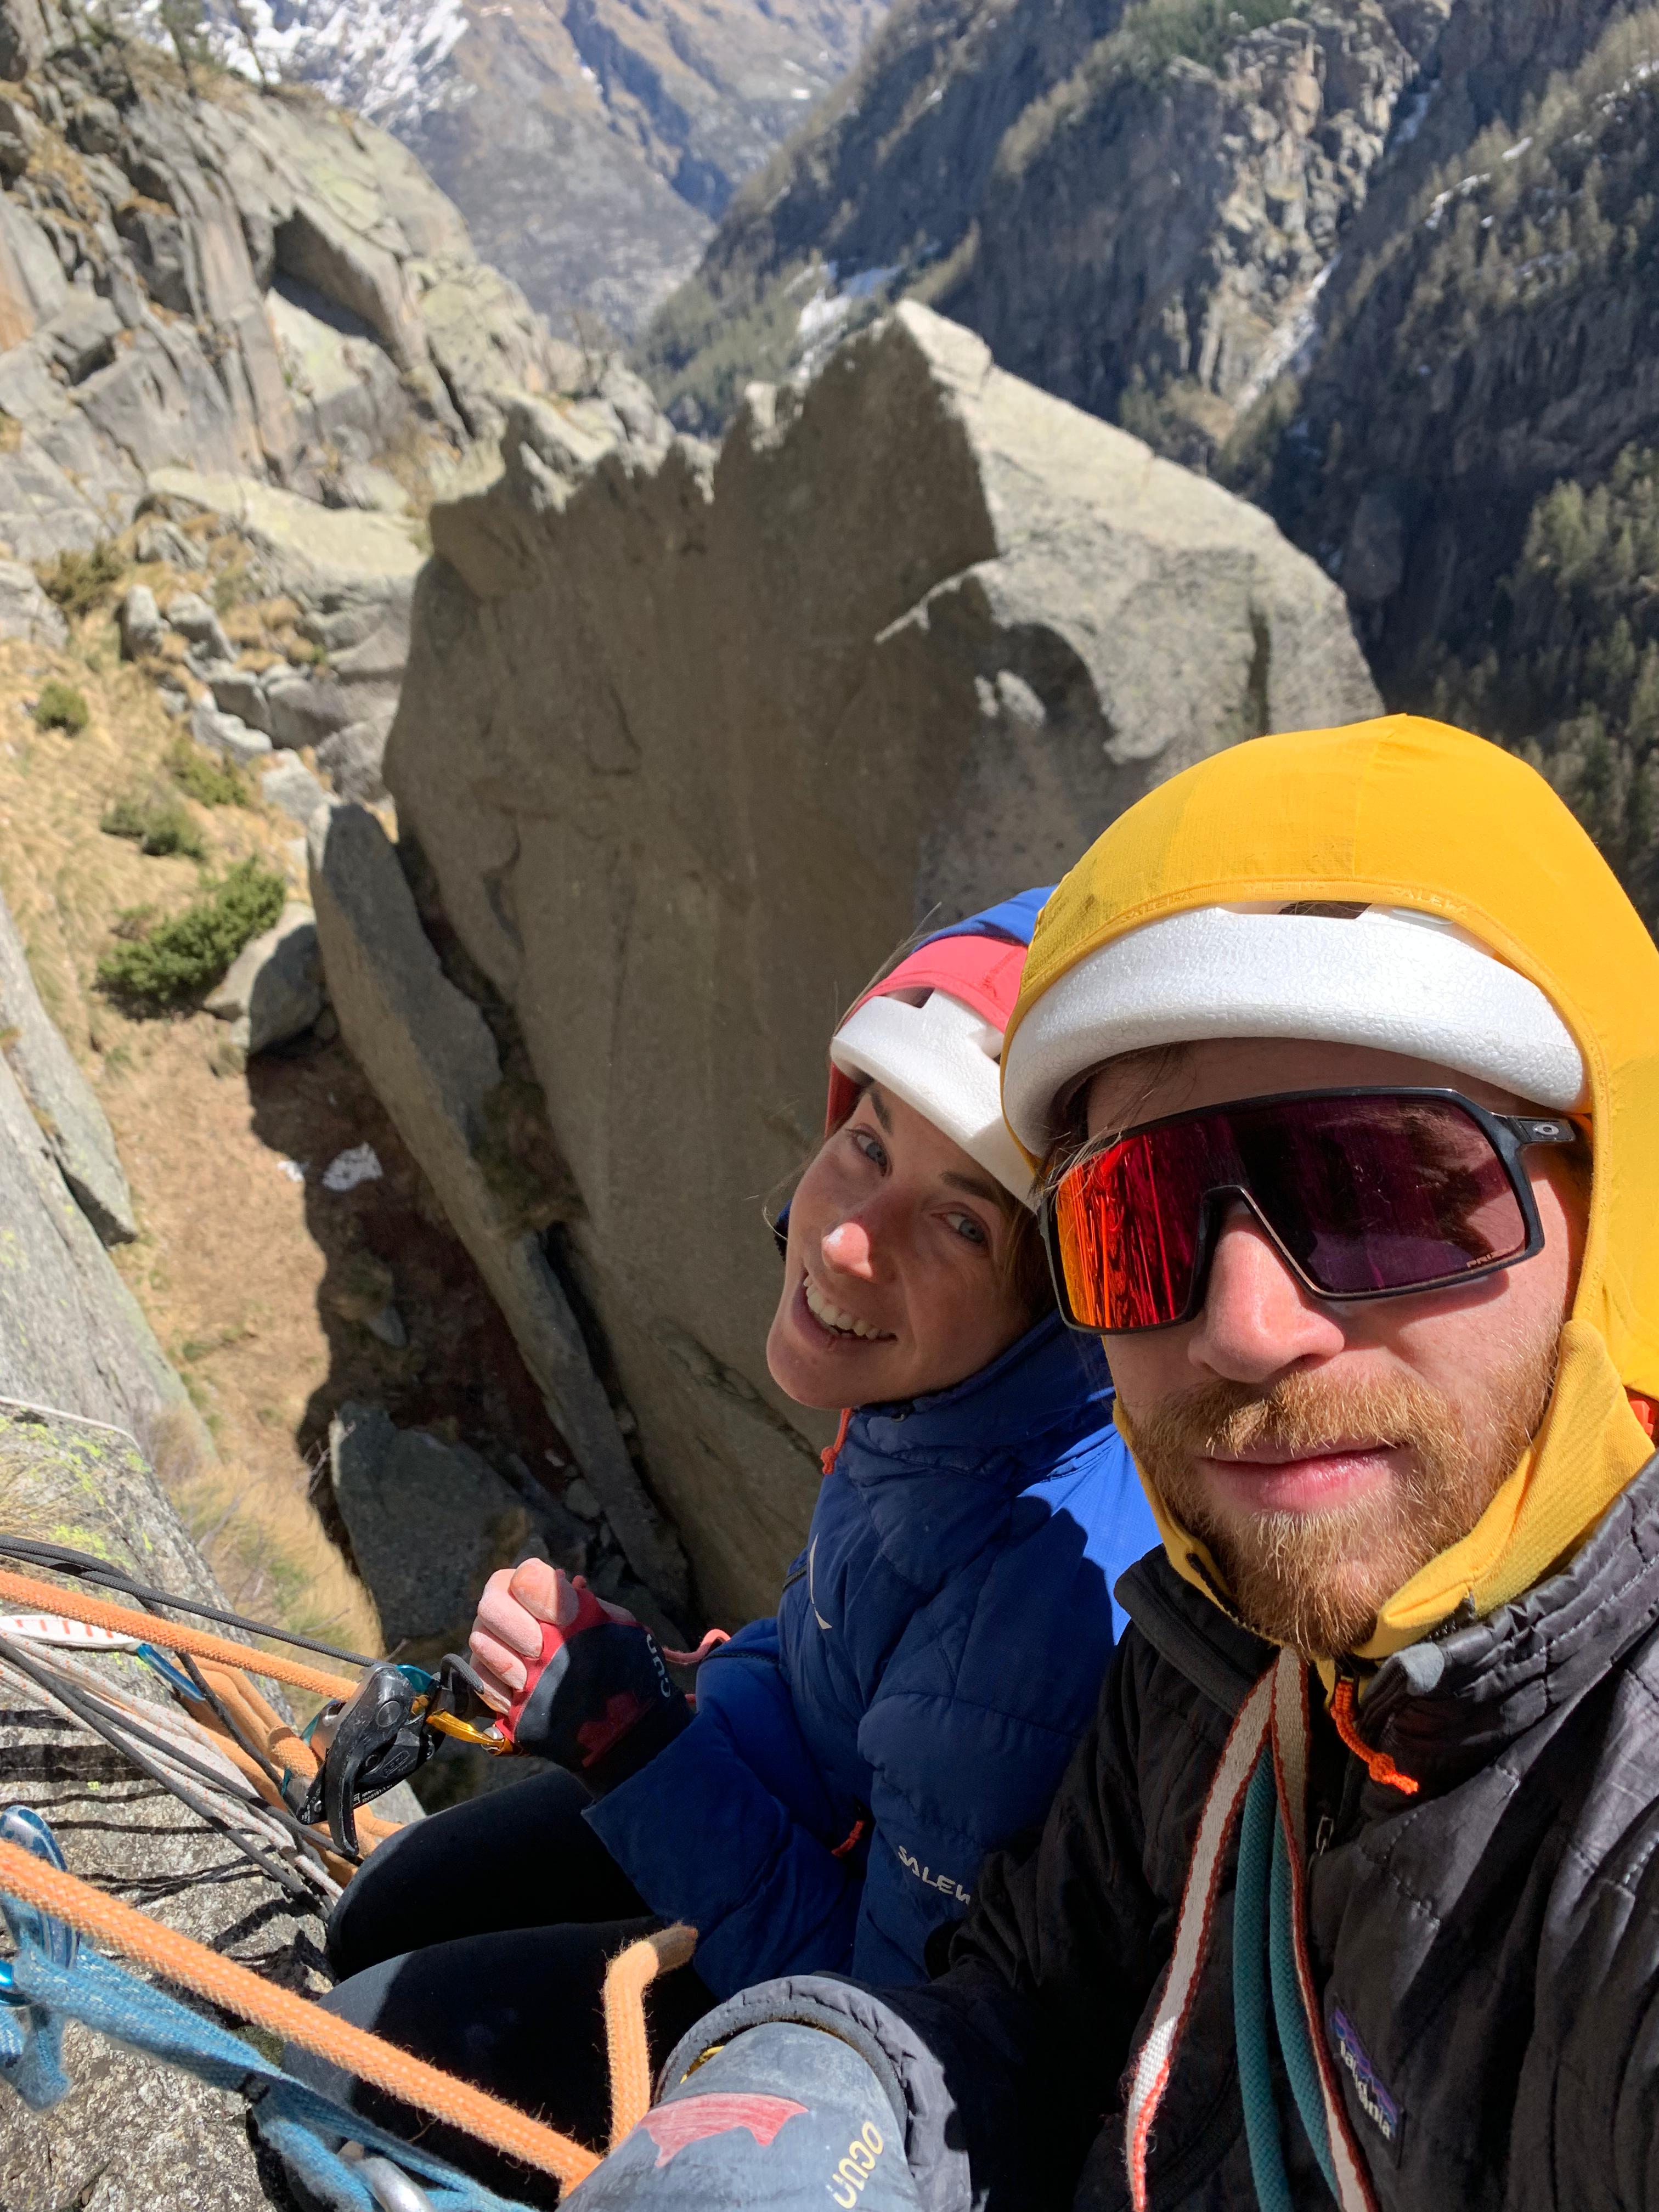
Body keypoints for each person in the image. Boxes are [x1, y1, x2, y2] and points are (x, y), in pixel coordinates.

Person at [561, 713, 1659, 2212]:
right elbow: (1016, 1994)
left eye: (1385, 1190)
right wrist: (830, 2106)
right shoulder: (1205, 1647)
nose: (1246, 1324)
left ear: (1618, 1210)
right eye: (1140, 1217)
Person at [298, 890, 1157, 2197]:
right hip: (759, 1796)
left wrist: (631, 1738)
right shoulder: (943, 1413)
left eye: (964, 1221)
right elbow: (844, 1663)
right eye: (868, 1145)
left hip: (823, 1975)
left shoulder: (1037, 1606)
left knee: (326, 2089)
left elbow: (884, 2034)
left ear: (1060, 1314)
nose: (850, 1239)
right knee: (378, 1916)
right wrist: (683, 1687)